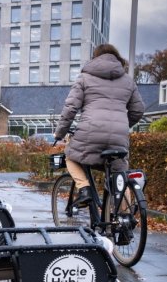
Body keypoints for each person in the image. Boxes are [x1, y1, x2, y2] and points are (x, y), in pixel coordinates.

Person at [53, 44, 144, 207]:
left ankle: (84, 189)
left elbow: (70, 109)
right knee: (119, 175)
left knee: (70, 156)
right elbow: (138, 111)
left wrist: (59, 133)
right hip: (118, 136)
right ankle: (125, 219)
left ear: (95, 58)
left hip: (91, 132)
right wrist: (121, 125)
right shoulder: (128, 81)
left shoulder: (84, 78)